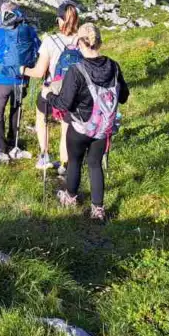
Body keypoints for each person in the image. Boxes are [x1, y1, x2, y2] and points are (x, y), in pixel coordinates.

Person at [47, 23, 129, 223]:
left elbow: (64, 103)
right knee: (94, 165)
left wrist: (48, 95)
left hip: (79, 126)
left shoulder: (76, 70)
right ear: (99, 41)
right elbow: (124, 96)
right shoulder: (114, 66)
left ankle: (70, 197)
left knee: (75, 161)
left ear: (79, 43)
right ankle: (98, 209)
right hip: (103, 128)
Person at [20, 0, 82, 171]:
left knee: (42, 119)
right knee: (66, 127)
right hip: (75, 92)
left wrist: (23, 69)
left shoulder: (50, 40)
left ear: (60, 21)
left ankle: (44, 155)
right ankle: (65, 165)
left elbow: (39, 72)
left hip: (51, 90)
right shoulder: (82, 40)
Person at [0, 1, 41, 156]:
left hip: (1, 79)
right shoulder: (29, 31)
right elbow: (39, 49)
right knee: (16, 108)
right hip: (22, 78)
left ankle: (1, 148)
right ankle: (14, 143)